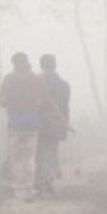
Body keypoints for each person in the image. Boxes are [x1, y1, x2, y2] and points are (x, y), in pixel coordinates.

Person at [0, 52, 46, 200]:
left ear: (14, 64)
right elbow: (41, 100)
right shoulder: (35, 79)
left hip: (14, 124)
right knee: (29, 158)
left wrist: (12, 101)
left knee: (15, 157)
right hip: (31, 123)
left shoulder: (8, 79)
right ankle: (28, 189)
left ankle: (17, 188)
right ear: (27, 62)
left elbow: (2, 102)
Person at [35, 54, 71, 195]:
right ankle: (47, 180)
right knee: (51, 150)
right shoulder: (64, 85)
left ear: (41, 65)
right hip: (57, 122)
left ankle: (43, 181)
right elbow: (65, 106)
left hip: (39, 122)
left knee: (41, 151)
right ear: (55, 65)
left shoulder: (36, 83)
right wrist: (65, 123)